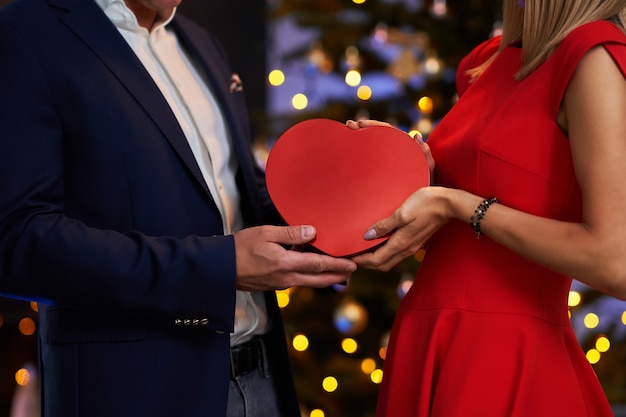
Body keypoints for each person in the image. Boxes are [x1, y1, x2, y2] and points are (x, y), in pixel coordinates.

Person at [0, 1, 357, 417]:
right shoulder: (23, 34)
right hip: (133, 395)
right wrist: (219, 266)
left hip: (264, 382)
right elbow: (16, 243)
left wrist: (362, 200)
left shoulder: (203, 43)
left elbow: (242, 196)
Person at [347, 0, 626, 416]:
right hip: (429, 333)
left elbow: (614, 260)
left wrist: (455, 203)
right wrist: (411, 169)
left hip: (503, 353)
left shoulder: (591, 53)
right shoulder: (492, 59)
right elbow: (468, 232)